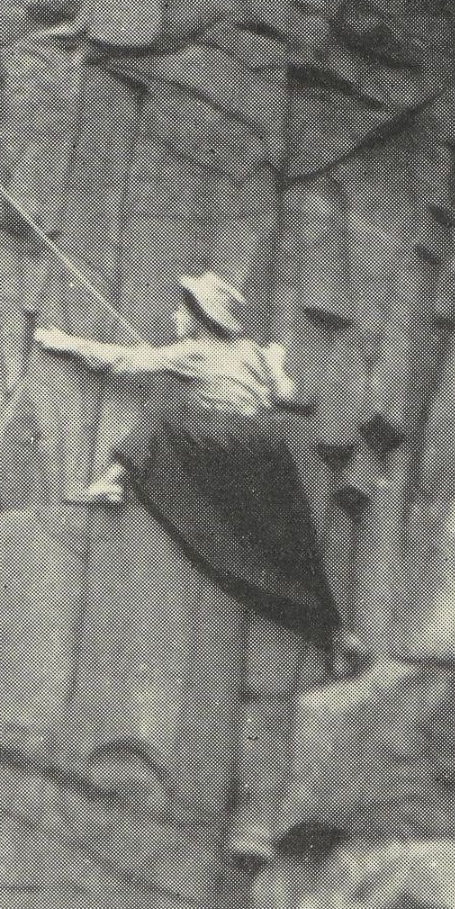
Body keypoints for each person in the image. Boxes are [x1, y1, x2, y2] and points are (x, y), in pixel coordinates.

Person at [36, 272, 359, 673]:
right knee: (291, 547)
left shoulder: (194, 350)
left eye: (180, 310)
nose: (175, 315)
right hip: (267, 451)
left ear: (198, 317)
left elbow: (124, 361)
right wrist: (273, 363)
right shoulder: (252, 351)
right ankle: (336, 634)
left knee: (164, 421)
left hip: (222, 442)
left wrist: (65, 343)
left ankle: (110, 482)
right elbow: (291, 399)